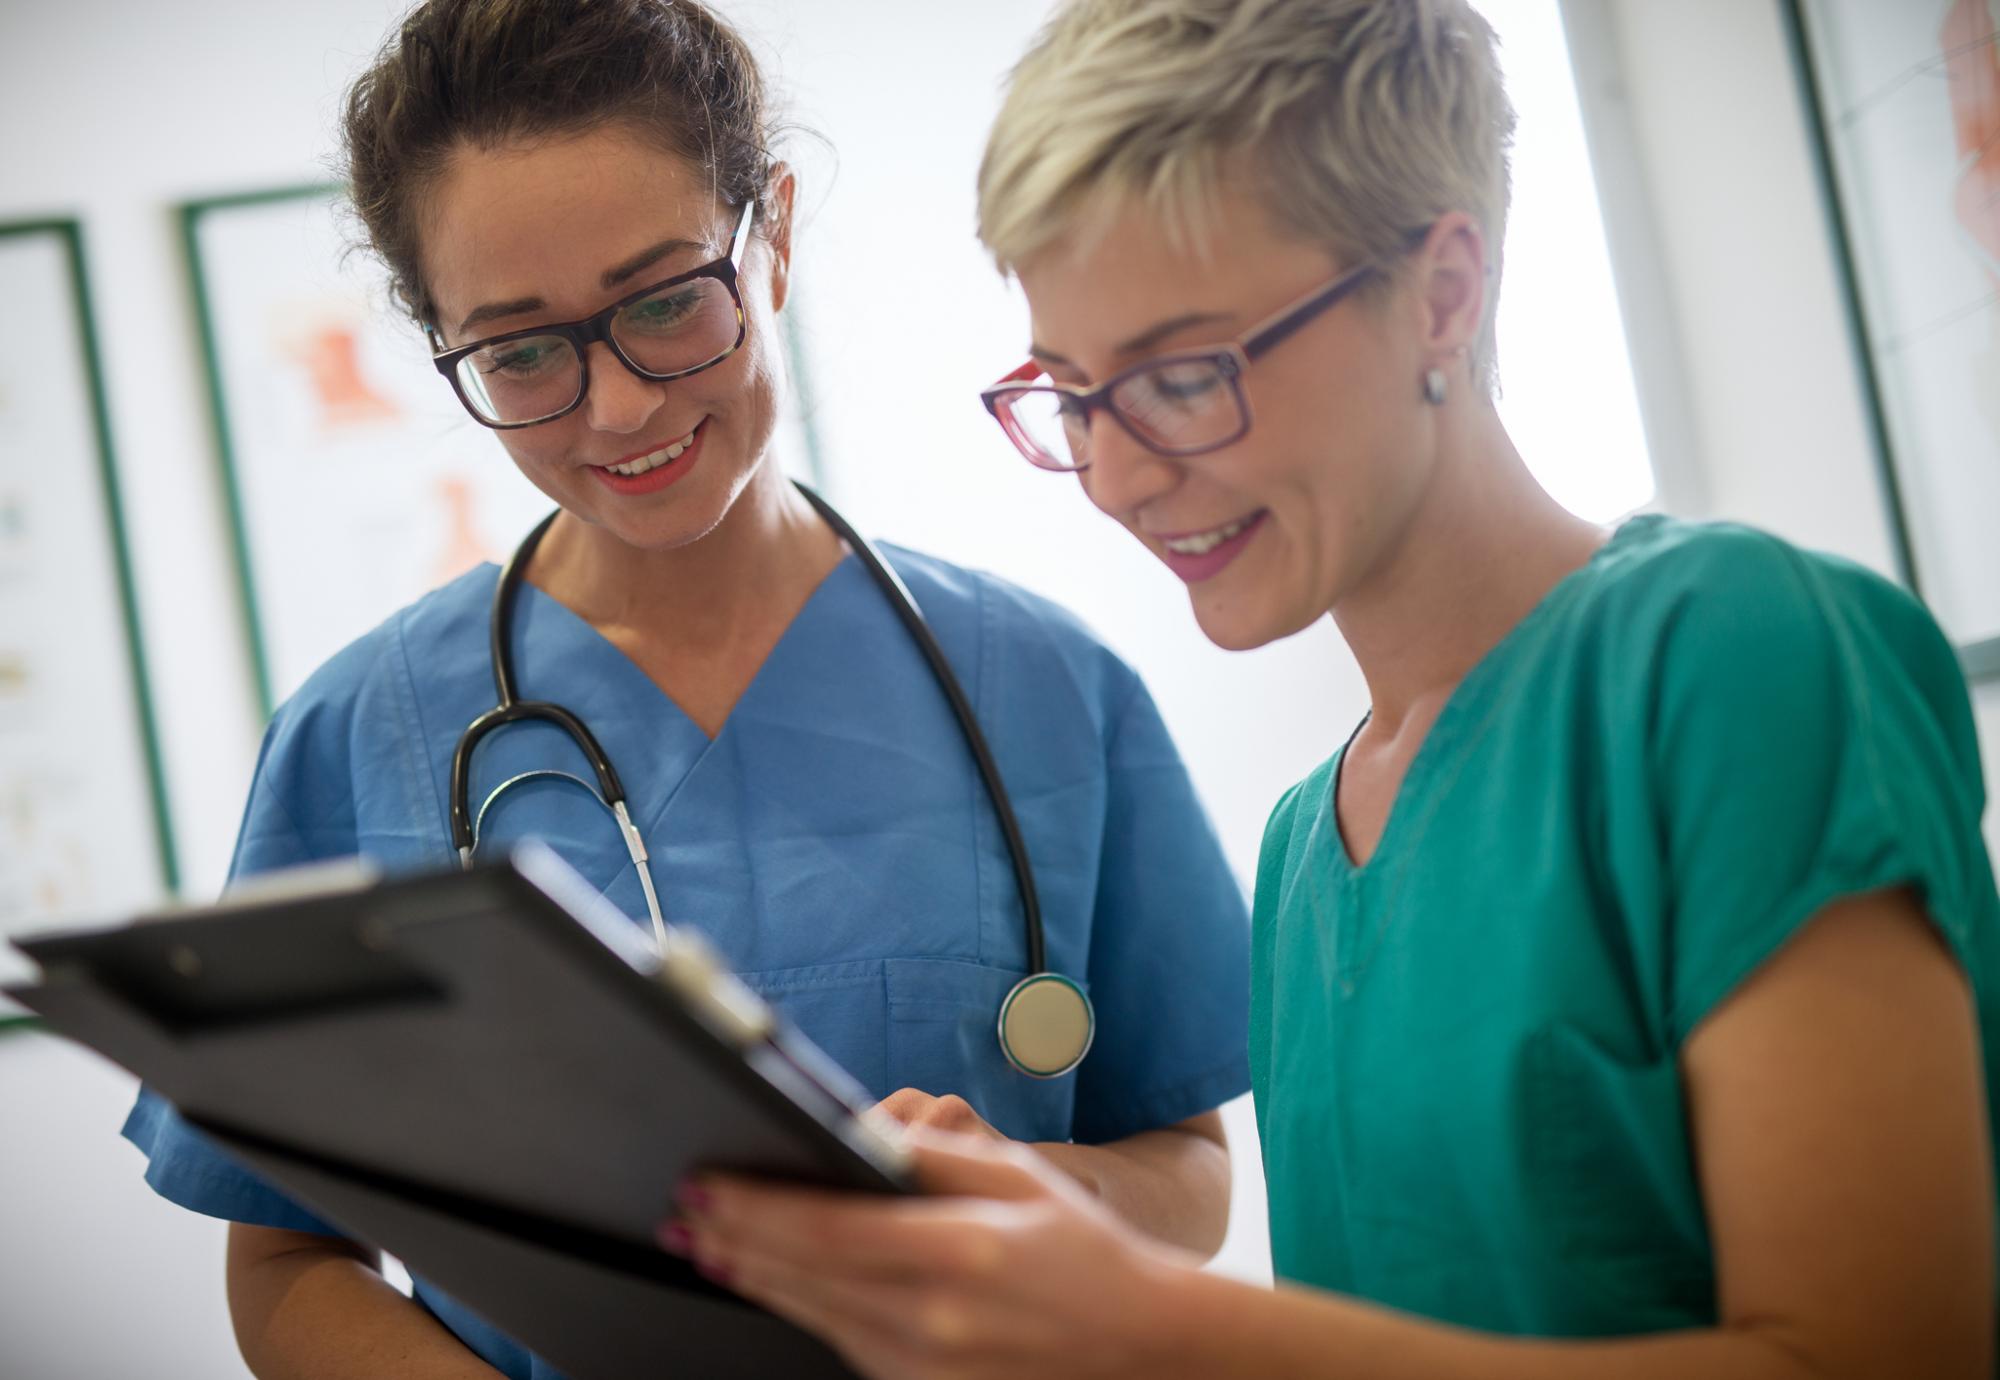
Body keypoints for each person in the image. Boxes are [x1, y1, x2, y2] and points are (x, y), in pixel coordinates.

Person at [678, 1, 2000, 1376]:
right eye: (1073, 395)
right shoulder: (1310, 845)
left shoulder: (1734, 657)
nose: (1120, 478)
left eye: (1184, 376)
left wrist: (1148, 1324)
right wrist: (1041, 1242)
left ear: (1441, 291)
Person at [121, 2, 1253, 1375]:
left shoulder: (1045, 687)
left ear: (770, 235)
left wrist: (1041, 1196)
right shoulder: (362, 735)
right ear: (445, 341)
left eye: (665, 301)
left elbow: (1187, 1169)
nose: (618, 409)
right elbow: (287, 1254)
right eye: (523, 350)